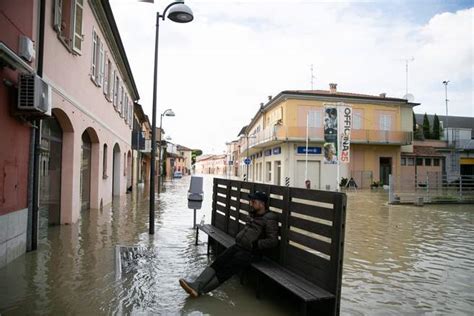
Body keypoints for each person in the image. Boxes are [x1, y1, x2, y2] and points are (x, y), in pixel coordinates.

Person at [179, 191, 279, 297]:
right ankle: (196, 285)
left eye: (253, 201)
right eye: (251, 201)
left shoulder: (269, 218)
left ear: (262, 204)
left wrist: (255, 244)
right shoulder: (253, 215)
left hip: (252, 252)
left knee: (227, 270)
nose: (251, 204)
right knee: (218, 262)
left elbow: (273, 241)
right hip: (239, 246)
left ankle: (200, 291)